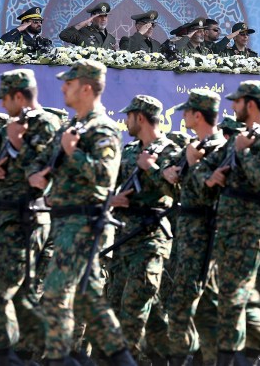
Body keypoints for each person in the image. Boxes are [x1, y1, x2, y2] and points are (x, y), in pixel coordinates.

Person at [27, 59, 135, 366]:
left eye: (69, 83)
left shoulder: (103, 128)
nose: (63, 88)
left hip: (85, 223)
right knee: (88, 300)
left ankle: (59, 359)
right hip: (64, 222)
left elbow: (104, 176)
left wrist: (74, 152)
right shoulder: (72, 128)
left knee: (55, 295)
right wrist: (39, 177)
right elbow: (47, 166)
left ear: (86, 88)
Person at [0, 69, 60, 365]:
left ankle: (13, 356)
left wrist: (18, 146)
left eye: (5, 99)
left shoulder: (46, 123)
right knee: (17, 298)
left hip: (26, 219)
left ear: (19, 96)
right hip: (3, 220)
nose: (2, 106)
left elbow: (43, 168)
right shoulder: (11, 126)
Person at [202, 81, 260, 366]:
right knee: (235, 299)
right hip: (228, 229)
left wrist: (243, 153)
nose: (233, 106)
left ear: (250, 104)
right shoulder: (240, 137)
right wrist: (210, 176)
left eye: (237, 102)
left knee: (235, 301)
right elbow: (210, 164)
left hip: (249, 231)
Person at [107, 95, 180, 362]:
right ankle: (170, 357)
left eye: (129, 116)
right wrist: (111, 199)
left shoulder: (171, 151)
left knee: (132, 314)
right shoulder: (129, 151)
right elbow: (111, 185)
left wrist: (151, 169)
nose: (126, 122)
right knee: (122, 309)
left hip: (150, 241)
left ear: (140, 117)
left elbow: (179, 192)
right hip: (124, 240)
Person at [158, 88, 226, 366]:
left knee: (183, 305)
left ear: (198, 115)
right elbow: (173, 184)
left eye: (186, 112)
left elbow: (212, 189)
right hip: (187, 237)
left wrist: (194, 165)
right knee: (204, 308)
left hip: (206, 237)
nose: (183, 116)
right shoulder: (191, 147)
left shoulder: (220, 150)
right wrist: (167, 174)